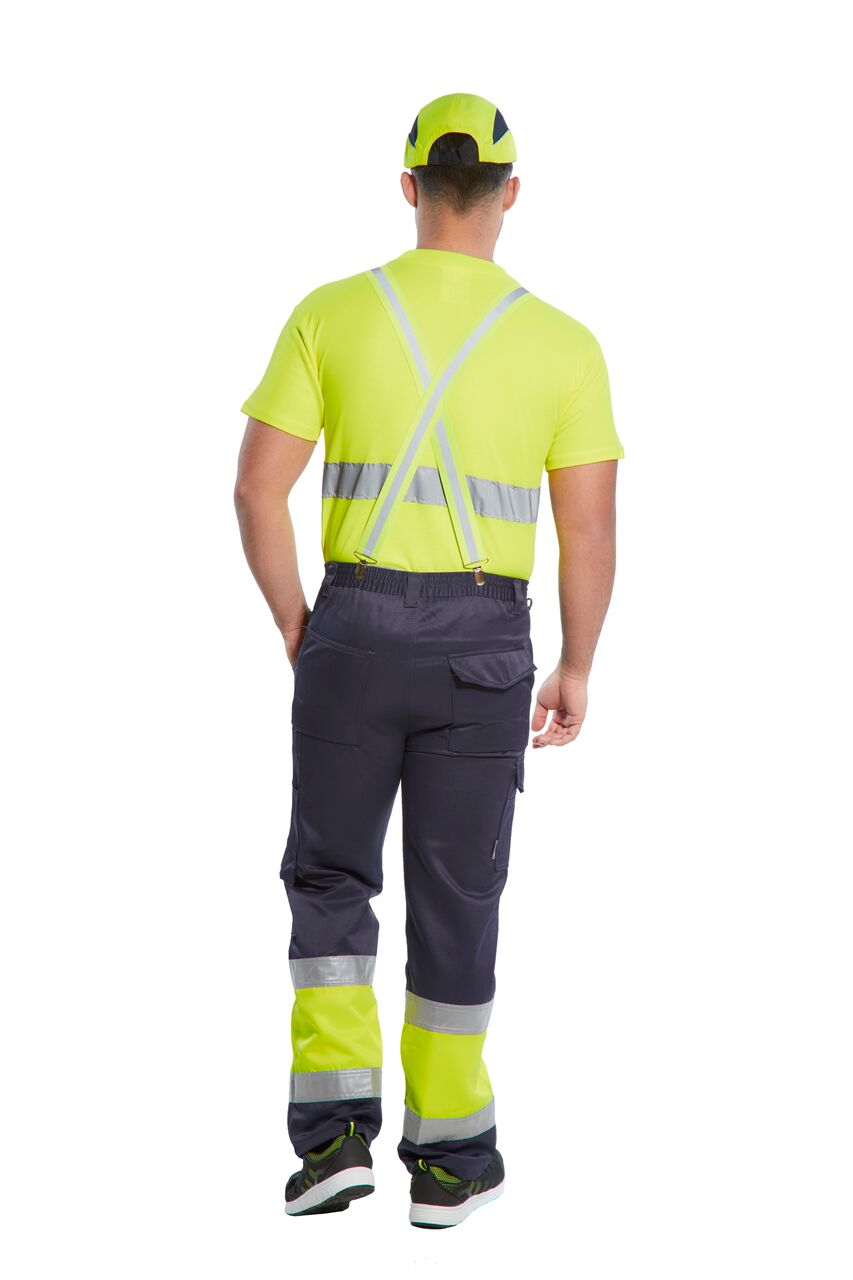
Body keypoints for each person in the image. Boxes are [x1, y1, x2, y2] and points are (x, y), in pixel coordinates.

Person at [234, 91, 624, 1229]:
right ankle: (449, 1160)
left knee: (329, 880)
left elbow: (256, 489)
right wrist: (577, 664)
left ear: (408, 187)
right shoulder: (565, 344)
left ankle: (330, 1144)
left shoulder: (329, 313)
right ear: (511, 194)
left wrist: (299, 624)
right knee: (458, 896)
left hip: (349, 633)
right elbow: (588, 530)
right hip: (486, 655)